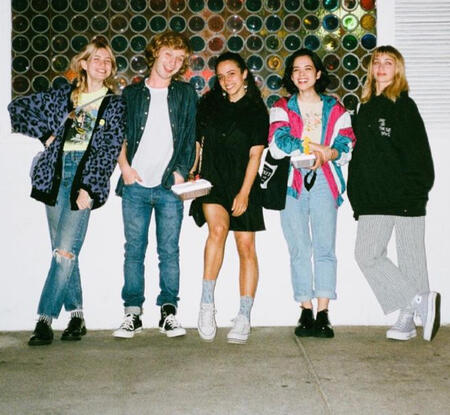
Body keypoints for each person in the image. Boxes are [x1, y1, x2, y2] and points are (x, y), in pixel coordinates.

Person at [8, 37, 126, 346]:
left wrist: (89, 188)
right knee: (64, 251)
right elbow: (17, 108)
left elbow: (109, 151)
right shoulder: (63, 95)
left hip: (82, 179)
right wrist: (46, 135)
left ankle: (44, 320)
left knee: (63, 252)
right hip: (54, 176)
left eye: (108, 61)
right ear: (84, 63)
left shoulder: (114, 105)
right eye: (97, 58)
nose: (103, 65)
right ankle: (76, 316)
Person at [347, 45, 440, 341]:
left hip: (406, 196)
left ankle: (407, 319)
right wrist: (356, 194)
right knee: (366, 255)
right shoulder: (363, 107)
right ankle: (417, 301)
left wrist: (416, 191)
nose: (381, 67)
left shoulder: (404, 106)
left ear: (397, 69)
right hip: (373, 198)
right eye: (377, 62)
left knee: (412, 259)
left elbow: (420, 155)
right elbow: (361, 156)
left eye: (388, 62)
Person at [112, 32, 197, 339]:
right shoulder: (132, 94)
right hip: (135, 186)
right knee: (134, 251)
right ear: (155, 54)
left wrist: (181, 172)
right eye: (168, 55)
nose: (173, 63)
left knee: (169, 251)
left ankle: (168, 312)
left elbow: (190, 137)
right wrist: (124, 168)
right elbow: (118, 135)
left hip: (168, 187)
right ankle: (132, 314)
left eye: (179, 58)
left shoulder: (186, 94)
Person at [268, 49, 355, 339]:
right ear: (291, 76)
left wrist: (328, 153)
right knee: (299, 247)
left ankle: (323, 313)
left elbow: (346, 144)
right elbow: (278, 142)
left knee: (324, 248)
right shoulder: (282, 106)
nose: (302, 74)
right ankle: (305, 309)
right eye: (296, 69)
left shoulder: (335, 108)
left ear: (318, 74)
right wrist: (318, 149)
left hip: (324, 181)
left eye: (308, 68)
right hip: (291, 183)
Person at [189, 52, 268, 344]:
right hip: (213, 180)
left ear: (244, 73)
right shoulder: (209, 103)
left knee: (246, 246)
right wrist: (192, 171)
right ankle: (206, 305)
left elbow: (255, 155)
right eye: (221, 76)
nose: (226, 81)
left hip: (243, 182)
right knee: (218, 229)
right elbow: (198, 143)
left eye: (231, 74)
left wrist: (245, 192)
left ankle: (244, 316)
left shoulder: (257, 110)